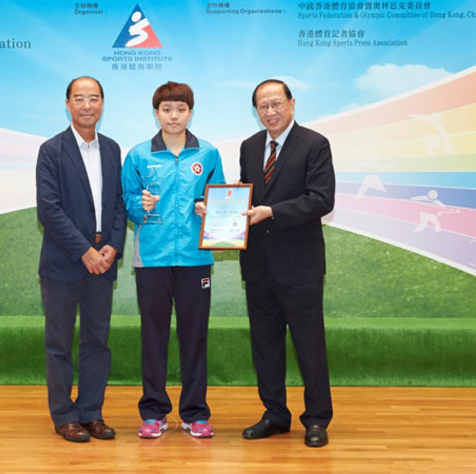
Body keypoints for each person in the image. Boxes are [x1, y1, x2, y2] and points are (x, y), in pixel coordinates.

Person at [121, 81, 225, 439]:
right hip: (152, 258)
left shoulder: (208, 154)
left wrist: (209, 210)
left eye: (181, 109)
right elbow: (127, 201)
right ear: (156, 114)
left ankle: (195, 413)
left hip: (196, 259)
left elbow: (222, 202)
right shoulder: (138, 155)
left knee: (194, 336)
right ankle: (153, 412)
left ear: (190, 112)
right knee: (153, 336)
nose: (174, 116)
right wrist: (140, 205)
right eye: (167, 110)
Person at [238, 79, 335, 447]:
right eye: (263, 106)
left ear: (292, 104)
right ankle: (275, 414)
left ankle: (316, 419)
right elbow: (248, 193)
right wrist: (227, 205)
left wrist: (273, 212)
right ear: (256, 111)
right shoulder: (249, 147)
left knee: (309, 344)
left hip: (300, 264)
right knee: (265, 344)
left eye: (276, 103)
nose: (270, 112)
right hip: (259, 264)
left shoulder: (314, 144)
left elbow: (321, 199)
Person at [35, 76, 127, 443]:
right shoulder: (51, 150)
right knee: (59, 343)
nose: (87, 105)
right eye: (79, 98)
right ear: (68, 104)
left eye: (94, 98)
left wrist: (113, 247)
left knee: (96, 342)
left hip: (102, 264)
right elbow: (49, 210)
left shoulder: (111, 149)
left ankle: (91, 412)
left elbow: (119, 203)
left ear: (103, 103)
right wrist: (85, 250)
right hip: (63, 264)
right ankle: (63, 415)